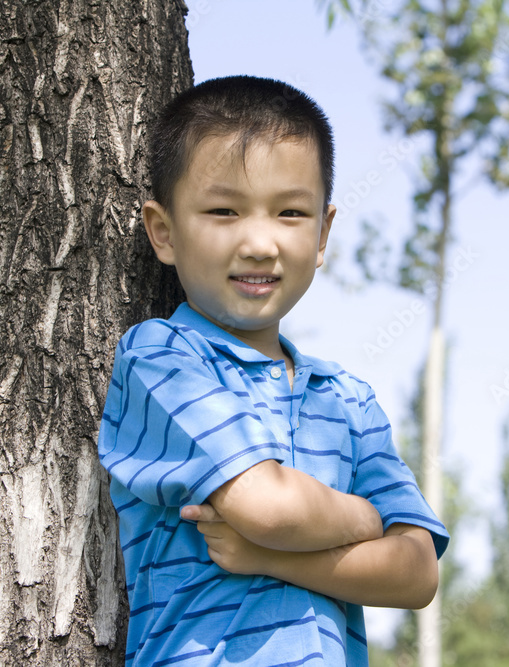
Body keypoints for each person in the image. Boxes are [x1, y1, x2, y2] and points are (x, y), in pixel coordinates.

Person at [98, 75, 449, 667]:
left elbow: (416, 573)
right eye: (223, 210)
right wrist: (365, 518)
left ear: (322, 234)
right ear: (163, 231)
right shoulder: (161, 358)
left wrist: (274, 558)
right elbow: (269, 509)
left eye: (290, 212)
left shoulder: (346, 399)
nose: (260, 243)